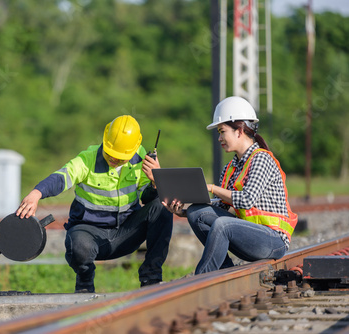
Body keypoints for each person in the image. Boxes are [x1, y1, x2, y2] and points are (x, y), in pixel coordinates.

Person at [16, 115, 173, 292]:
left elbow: (147, 199)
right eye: (110, 154)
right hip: (89, 234)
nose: (114, 160)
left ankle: (151, 279)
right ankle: (84, 285)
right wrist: (36, 193)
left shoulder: (142, 159)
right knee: (79, 244)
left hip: (126, 233)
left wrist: (156, 181)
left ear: (134, 150)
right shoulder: (87, 159)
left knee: (161, 208)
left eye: (120, 158)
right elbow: (62, 177)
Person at [163, 96, 298, 275]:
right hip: (248, 237)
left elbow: (247, 200)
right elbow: (221, 208)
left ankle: (200, 278)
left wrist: (211, 188)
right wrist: (184, 212)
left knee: (223, 225)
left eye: (222, 131)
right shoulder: (230, 168)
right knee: (197, 212)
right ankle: (225, 271)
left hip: (273, 240)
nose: (219, 138)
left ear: (239, 130)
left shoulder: (262, 159)